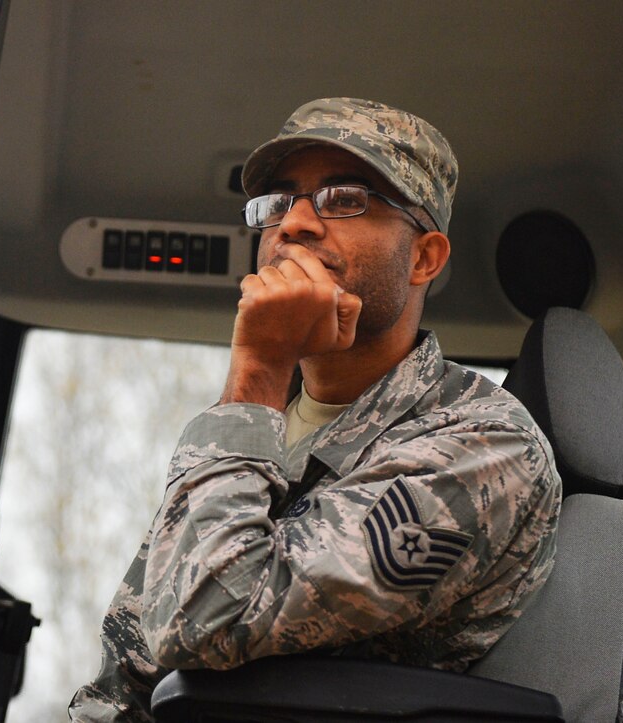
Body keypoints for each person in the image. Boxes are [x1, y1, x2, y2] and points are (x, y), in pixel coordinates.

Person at [69, 97, 561, 722]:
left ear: (424, 258)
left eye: (346, 197)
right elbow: (128, 669)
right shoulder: (255, 430)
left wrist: (259, 367)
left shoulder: (486, 444)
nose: (293, 225)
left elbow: (206, 623)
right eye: (279, 202)